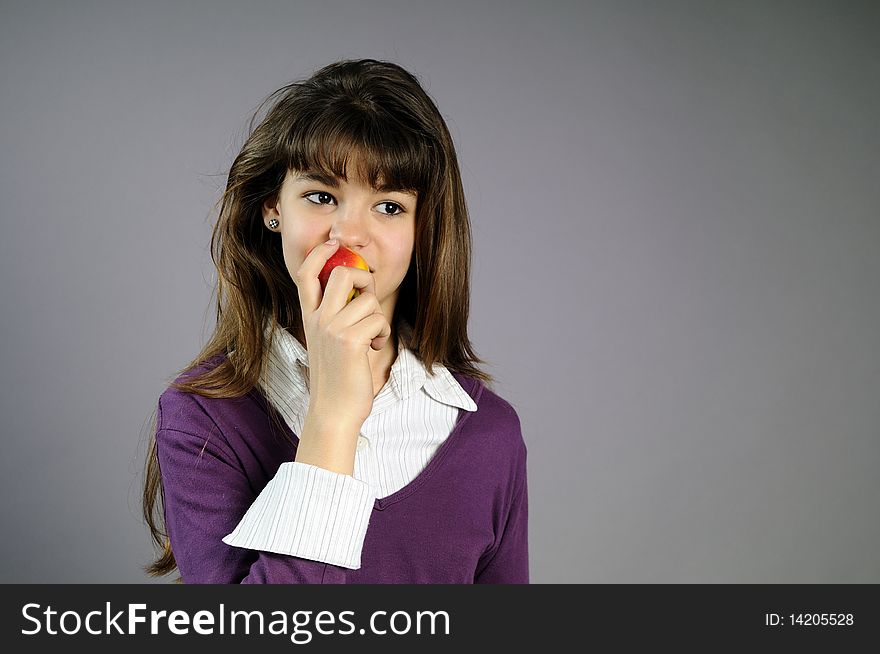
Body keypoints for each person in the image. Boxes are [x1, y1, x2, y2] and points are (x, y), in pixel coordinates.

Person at [141, 58, 529, 583]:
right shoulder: (202, 420)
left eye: (389, 207)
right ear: (271, 208)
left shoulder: (489, 432)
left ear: (423, 230)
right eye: (322, 197)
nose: (349, 234)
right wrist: (333, 418)